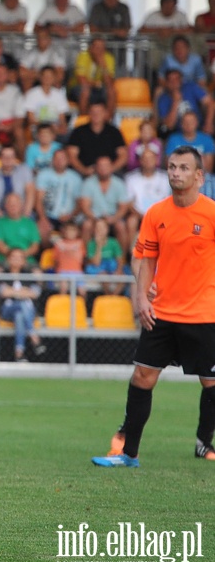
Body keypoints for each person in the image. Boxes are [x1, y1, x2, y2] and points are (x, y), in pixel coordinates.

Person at [92, 146, 215, 467]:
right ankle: (128, 453)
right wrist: (142, 297)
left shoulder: (211, 214)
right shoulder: (156, 214)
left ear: (199, 176)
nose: (176, 173)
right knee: (142, 378)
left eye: (184, 168)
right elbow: (144, 258)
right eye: (172, 167)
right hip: (160, 313)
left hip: (204, 314)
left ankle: (204, 443)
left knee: (211, 382)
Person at [0, 145, 35, 250]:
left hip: (22, 211)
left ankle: (24, 256)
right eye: (5, 157)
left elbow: (30, 193)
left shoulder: (25, 172)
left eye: (11, 157)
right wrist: (3, 216)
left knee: (33, 222)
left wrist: (26, 211)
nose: (8, 160)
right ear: (0, 158)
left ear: (16, 158)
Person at [0, 248, 44, 362]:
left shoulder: (29, 275)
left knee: (19, 315)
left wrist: (13, 291)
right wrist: (23, 291)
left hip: (26, 311)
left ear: (24, 261)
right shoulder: (3, 275)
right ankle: (34, 338)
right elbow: (3, 292)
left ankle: (19, 353)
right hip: (7, 309)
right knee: (22, 305)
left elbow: (35, 293)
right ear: (8, 259)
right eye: (13, 257)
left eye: (19, 257)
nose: (16, 260)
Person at [66, 102, 127, 177]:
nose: (96, 114)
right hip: (84, 172)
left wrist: (110, 169)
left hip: (110, 173)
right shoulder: (78, 131)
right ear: (88, 113)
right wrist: (84, 170)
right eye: (93, 112)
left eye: (99, 112)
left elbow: (123, 155)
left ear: (105, 113)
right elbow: (71, 155)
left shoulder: (114, 132)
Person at [35, 149, 82, 245]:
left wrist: (70, 216)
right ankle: (46, 255)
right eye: (56, 158)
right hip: (49, 215)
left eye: (62, 158)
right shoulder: (43, 175)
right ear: (52, 160)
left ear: (68, 161)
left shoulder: (76, 178)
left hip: (69, 218)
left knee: (75, 230)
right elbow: (38, 200)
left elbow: (80, 203)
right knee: (42, 228)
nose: (59, 161)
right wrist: (43, 218)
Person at [125, 148, 171, 239]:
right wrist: (142, 216)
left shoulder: (165, 178)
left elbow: (167, 201)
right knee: (131, 221)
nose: (148, 161)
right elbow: (129, 204)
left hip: (159, 214)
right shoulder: (131, 178)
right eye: (145, 159)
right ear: (140, 161)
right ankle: (132, 252)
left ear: (156, 160)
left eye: (151, 158)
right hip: (138, 215)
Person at [69, 37, 115, 115]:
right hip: (78, 87)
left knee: (112, 91)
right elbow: (81, 81)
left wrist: (103, 66)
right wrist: (97, 84)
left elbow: (109, 83)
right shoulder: (83, 56)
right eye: (97, 47)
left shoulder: (108, 58)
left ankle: (107, 121)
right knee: (85, 91)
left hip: (99, 89)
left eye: (102, 48)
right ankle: (84, 120)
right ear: (91, 48)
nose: (99, 51)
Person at [0, 193, 40, 264]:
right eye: (10, 204)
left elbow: (35, 246)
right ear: (5, 206)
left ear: (21, 205)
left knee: (37, 273)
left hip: (26, 260)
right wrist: (13, 256)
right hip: (4, 260)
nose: (13, 206)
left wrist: (20, 257)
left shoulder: (30, 224)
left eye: (16, 204)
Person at [52, 221, 86, 297]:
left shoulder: (80, 243)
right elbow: (55, 260)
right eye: (68, 230)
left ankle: (83, 306)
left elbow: (81, 258)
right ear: (64, 232)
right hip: (63, 271)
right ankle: (62, 305)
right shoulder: (58, 243)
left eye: (73, 230)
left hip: (77, 271)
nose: (70, 232)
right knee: (63, 287)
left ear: (77, 232)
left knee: (82, 291)